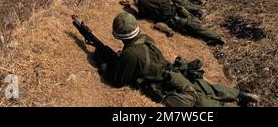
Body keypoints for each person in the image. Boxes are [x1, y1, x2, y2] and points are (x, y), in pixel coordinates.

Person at [96, 12, 260, 107]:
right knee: (207, 88)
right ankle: (240, 94)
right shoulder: (145, 38)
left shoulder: (129, 54)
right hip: (175, 71)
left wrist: (102, 62)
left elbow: (117, 80)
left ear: (118, 35)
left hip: (165, 83)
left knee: (201, 103)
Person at [137, 0, 224, 45]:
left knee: (196, 28)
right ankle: (217, 37)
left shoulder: (142, 0)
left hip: (175, 21)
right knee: (197, 26)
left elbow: (142, 15)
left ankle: (218, 38)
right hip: (179, 15)